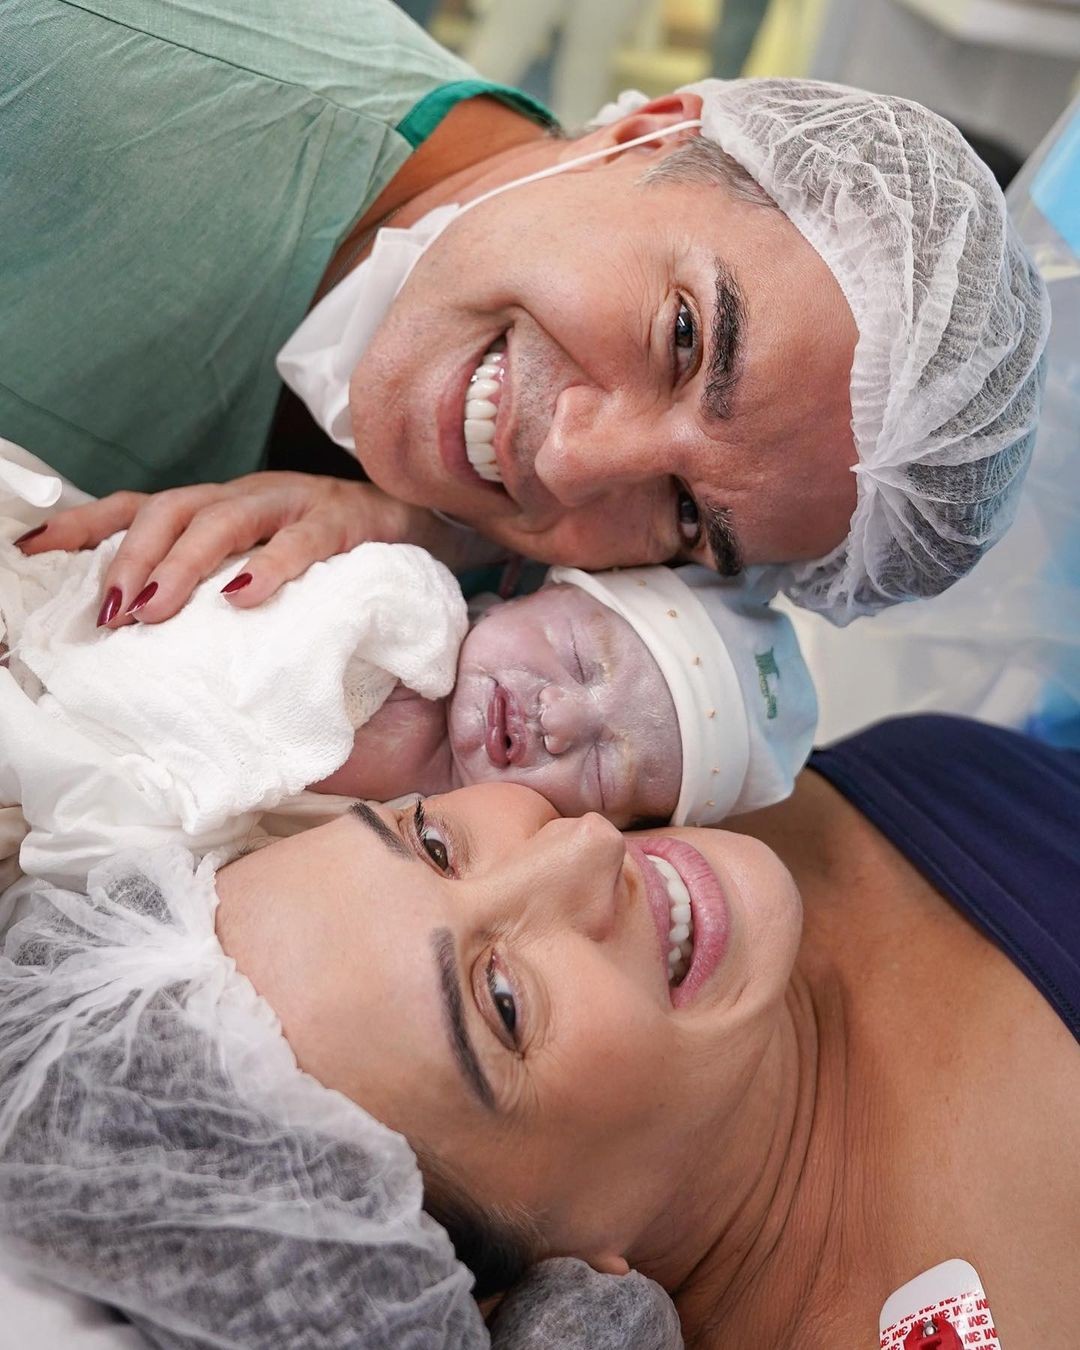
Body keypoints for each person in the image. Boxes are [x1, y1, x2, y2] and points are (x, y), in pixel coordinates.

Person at [0, 713, 1075, 1346]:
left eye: (432, 843)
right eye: (504, 1004)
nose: (586, 852)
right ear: (527, 1284)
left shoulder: (712, 762)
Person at [5, 1, 1049, 632]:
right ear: (653, 129)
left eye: (685, 514)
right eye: (684, 339)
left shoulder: (446, 554)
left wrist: (439, 540)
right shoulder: (73, 58)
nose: (576, 460)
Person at [0, 448, 815, 899]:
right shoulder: (402, 602)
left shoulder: (429, 869)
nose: (561, 718)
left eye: (605, 762)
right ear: (513, 595)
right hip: (59, 639)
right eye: (578, 658)